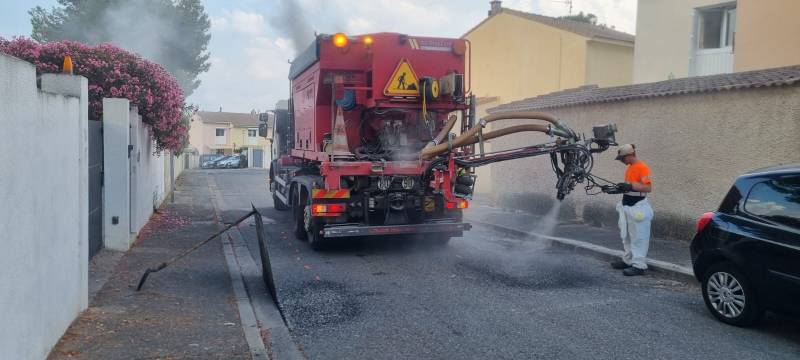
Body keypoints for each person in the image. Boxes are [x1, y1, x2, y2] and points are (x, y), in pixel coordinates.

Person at [609, 144, 653, 276]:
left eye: (622, 158)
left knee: (639, 237)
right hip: (627, 205)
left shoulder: (642, 168)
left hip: (638, 207)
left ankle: (639, 265)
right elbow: (629, 187)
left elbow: (647, 188)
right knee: (626, 235)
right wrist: (618, 189)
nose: (622, 161)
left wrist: (630, 185)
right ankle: (628, 260)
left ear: (630, 155)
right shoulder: (630, 168)